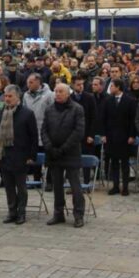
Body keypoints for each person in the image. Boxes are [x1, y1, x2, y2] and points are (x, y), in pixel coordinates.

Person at [42, 83, 85, 228]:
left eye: (61, 91)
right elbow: (44, 130)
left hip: (70, 153)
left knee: (75, 186)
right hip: (54, 153)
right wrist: (49, 147)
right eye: (56, 91)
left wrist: (63, 148)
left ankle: (78, 215)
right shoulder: (49, 110)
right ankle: (58, 213)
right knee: (57, 185)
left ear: (68, 94)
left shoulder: (77, 109)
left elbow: (78, 132)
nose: (57, 94)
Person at [0, 84, 38, 225]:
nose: (7, 99)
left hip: (21, 156)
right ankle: (11, 211)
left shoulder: (27, 113)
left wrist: (31, 156)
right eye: (5, 96)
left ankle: (21, 212)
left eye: (10, 96)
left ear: (17, 97)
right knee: (8, 186)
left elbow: (33, 137)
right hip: (5, 155)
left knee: (21, 187)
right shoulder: (0, 113)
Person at [101, 78, 137, 196]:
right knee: (114, 162)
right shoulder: (108, 100)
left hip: (125, 136)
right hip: (111, 137)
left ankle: (125, 187)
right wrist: (103, 134)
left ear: (118, 87)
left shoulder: (130, 101)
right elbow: (103, 119)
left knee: (125, 163)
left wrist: (132, 135)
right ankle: (115, 186)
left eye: (112, 86)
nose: (110, 88)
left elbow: (133, 120)